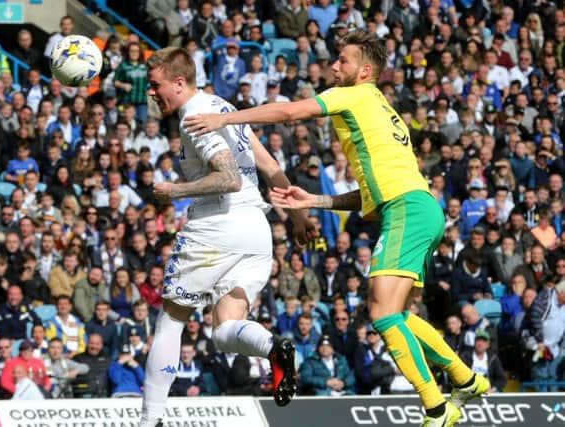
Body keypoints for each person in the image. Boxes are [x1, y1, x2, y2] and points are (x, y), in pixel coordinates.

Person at [184, 30, 487, 426]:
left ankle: (436, 407)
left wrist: (223, 118)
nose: (333, 67)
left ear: (363, 70)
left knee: (381, 314)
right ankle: (465, 379)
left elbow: (290, 112)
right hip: (418, 208)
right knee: (391, 310)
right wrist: (314, 201)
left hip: (407, 210)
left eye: (341, 61)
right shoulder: (380, 107)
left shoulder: (356, 94)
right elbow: (369, 195)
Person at [139, 47, 314, 427]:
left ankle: (149, 420)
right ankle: (273, 347)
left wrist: (174, 191)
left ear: (180, 82)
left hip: (218, 224)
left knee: (171, 321)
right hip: (256, 230)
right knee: (223, 331)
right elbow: (268, 165)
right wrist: (298, 217)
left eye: (156, 85)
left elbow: (229, 178)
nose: (151, 93)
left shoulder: (192, 117)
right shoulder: (221, 105)